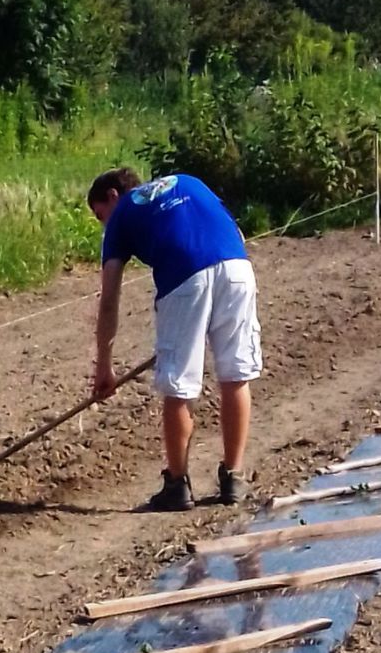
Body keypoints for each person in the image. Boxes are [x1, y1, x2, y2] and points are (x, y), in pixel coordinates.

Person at [87, 168, 262, 511]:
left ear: (112, 196)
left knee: (178, 383)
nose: (103, 224)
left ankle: (178, 484)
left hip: (185, 281)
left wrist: (104, 368)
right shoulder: (189, 181)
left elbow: (108, 300)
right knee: (235, 374)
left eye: (99, 216)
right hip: (239, 269)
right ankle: (234, 477)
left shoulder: (122, 214)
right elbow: (234, 231)